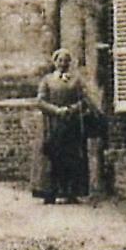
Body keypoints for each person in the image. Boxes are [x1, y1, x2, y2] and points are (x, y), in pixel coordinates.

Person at [36, 48, 90, 204]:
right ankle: (49, 192)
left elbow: (84, 101)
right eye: (60, 60)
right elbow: (40, 101)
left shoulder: (76, 81)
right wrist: (56, 110)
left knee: (71, 158)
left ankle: (71, 192)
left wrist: (71, 110)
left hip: (70, 124)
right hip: (52, 124)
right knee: (52, 157)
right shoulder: (47, 80)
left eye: (66, 61)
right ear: (55, 62)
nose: (63, 64)